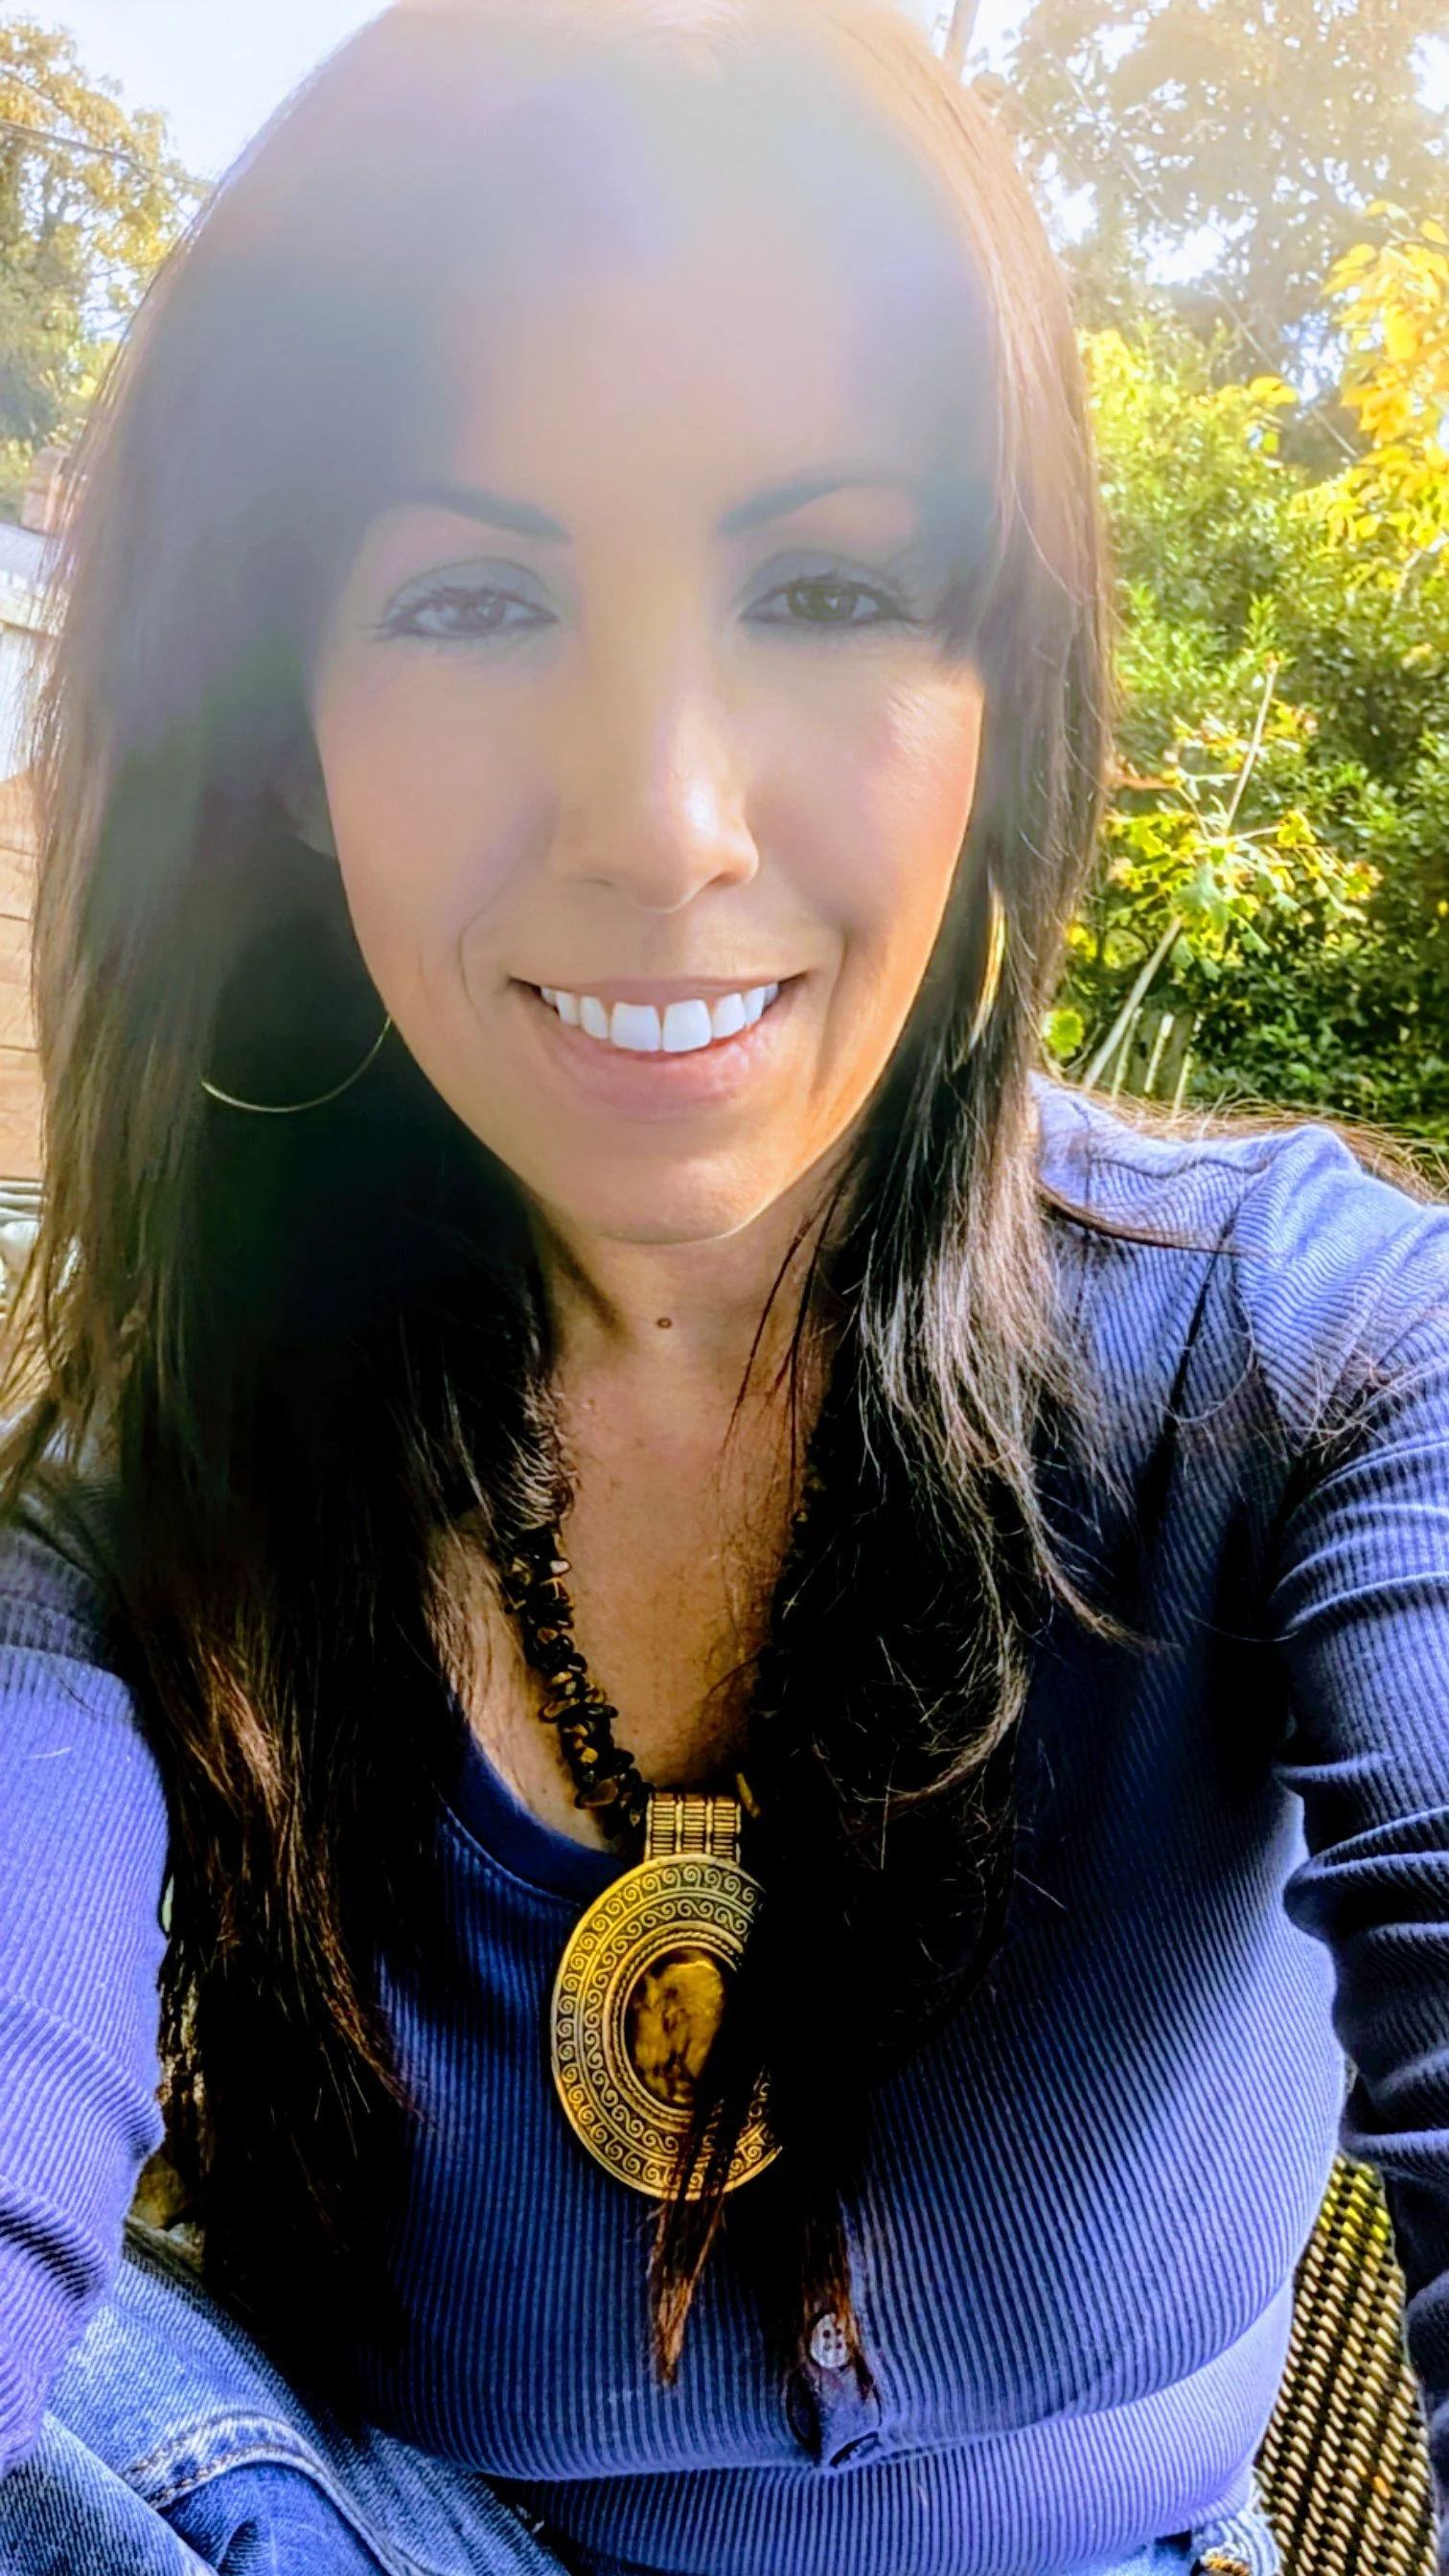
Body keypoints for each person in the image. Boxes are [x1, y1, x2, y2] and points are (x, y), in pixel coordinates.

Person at [0, 1, 1445, 2570]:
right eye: (470, 598)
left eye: (827, 586)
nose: (660, 823)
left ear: (999, 701)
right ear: (288, 753)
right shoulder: (151, 1480)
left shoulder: (1305, 1359)